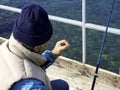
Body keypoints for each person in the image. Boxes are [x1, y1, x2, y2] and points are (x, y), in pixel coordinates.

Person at [0, 3, 70, 90]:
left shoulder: (8, 46)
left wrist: (52, 55)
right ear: (37, 48)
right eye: (48, 40)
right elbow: (27, 69)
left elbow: (27, 63)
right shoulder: (32, 86)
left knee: (61, 85)